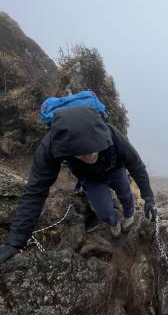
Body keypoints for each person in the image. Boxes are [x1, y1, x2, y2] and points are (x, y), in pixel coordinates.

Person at [0, 107, 157, 262]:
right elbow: (35, 190)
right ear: (66, 150)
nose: (89, 155)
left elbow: (136, 165)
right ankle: (114, 222)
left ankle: (129, 215)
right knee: (104, 211)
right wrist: (16, 240)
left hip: (115, 169)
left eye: (94, 149)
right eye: (81, 153)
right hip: (90, 179)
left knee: (126, 194)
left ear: (101, 136)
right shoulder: (52, 145)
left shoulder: (111, 134)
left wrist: (148, 197)